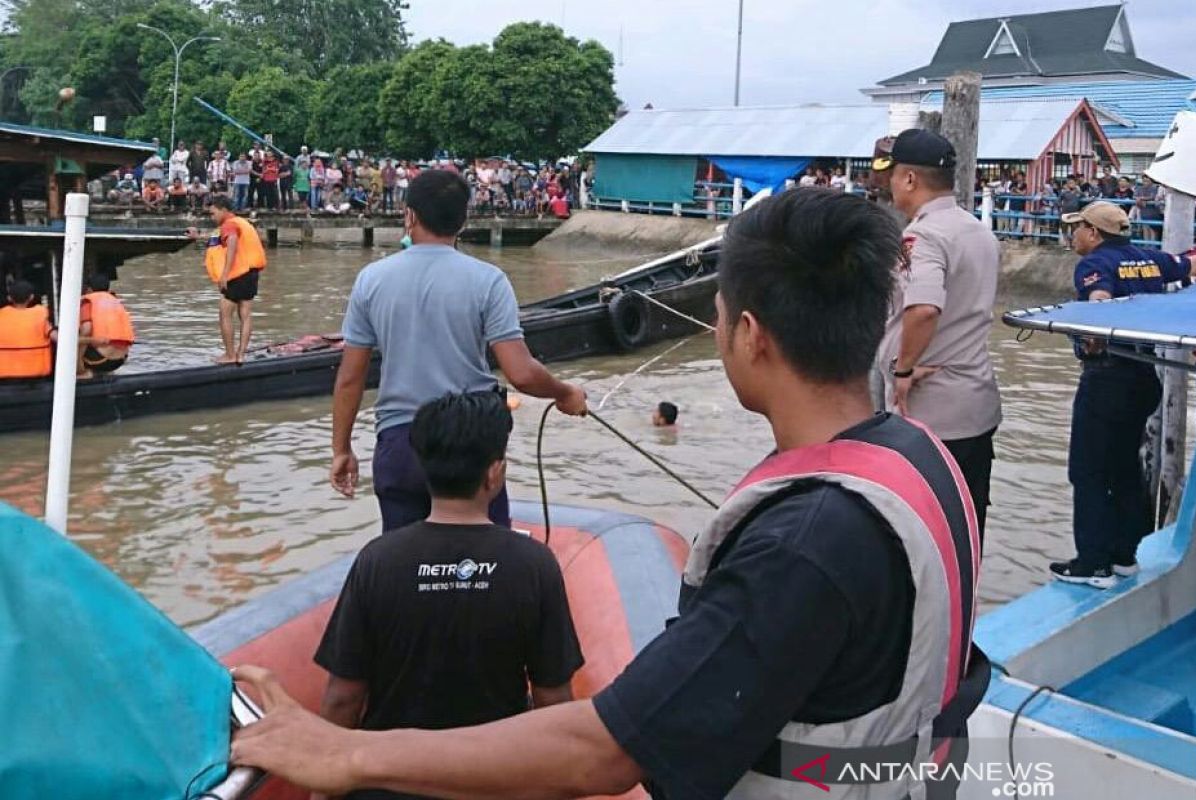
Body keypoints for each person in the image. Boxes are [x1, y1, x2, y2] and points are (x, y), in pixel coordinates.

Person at [231, 188, 987, 800]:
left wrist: (347, 753)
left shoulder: (802, 541)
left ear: (751, 334)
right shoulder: (918, 456)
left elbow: (606, 753)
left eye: (719, 319)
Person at [312, 390, 583, 800]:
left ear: (423, 468)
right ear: (494, 474)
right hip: (493, 783)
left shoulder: (377, 562)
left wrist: (321, 790)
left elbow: (342, 697)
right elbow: (553, 699)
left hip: (390, 785)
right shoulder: (534, 565)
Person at [329, 169, 587, 533]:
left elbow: (350, 377)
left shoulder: (371, 280)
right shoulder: (488, 280)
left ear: (410, 215)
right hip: (471, 443)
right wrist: (565, 393)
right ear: (463, 221)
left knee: (406, 559)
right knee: (487, 559)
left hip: (402, 442)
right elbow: (522, 373)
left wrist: (341, 449)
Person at [1053, 201, 1196, 588]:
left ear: (1094, 234)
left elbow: (1100, 300)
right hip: (1143, 379)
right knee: (1124, 470)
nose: (1073, 236)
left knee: (1087, 472)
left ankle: (1093, 564)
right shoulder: (1149, 259)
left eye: (1077, 228)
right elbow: (1189, 266)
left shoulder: (1093, 265)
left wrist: (1094, 335)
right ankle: (1124, 557)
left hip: (1107, 379)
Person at [873, 128, 1002, 536]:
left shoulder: (923, 235)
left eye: (892, 174)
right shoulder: (978, 229)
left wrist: (903, 370)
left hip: (932, 411)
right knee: (966, 522)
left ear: (909, 178)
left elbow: (924, 309)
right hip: (975, 403)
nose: (889, 184)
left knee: (924, 531)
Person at [193, 195, 267, 363]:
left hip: (236, 275)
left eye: (213, 213)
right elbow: (220, 240)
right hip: (251, 273)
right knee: (246, 314)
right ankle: (241, 354)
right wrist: (198, 236)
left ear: (223, 210)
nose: (212, 217)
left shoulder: (229, 225)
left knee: (224, 313)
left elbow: (231, 241)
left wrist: (225, 274)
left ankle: (229, 355)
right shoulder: (242, 222)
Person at [77, 272, 134, 377]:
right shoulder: (115, 301)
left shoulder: (88, 301)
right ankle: (105, 373)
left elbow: (86, 329)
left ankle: (82, 373)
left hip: (101, 359)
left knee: (69, 344)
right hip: (121, 359)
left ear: (89, 289)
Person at [0, 280, 54, 379]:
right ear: (31, 297)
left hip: (4, 380)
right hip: (37, 378)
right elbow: (58, 338)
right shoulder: (40, 316)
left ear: (9, 298)